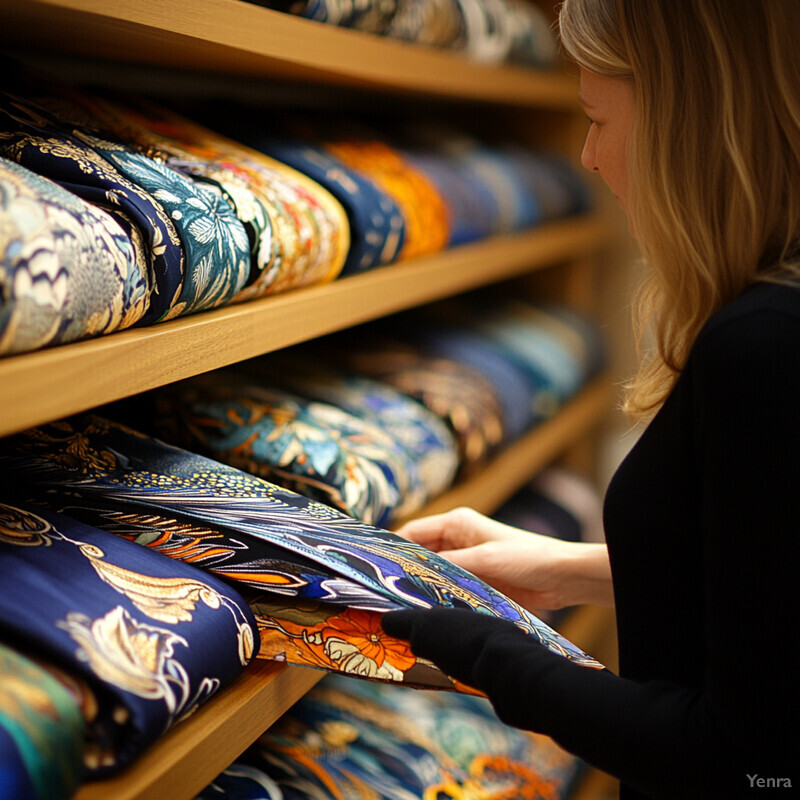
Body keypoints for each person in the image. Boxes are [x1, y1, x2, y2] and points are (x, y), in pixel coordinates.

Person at [381, 2, 800, 798]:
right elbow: (775, 592)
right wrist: (563, 569)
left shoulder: (766, 345)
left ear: (691, 121)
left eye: (597, 118)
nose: (589, 156)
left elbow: (749, 761)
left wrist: (482, 654)